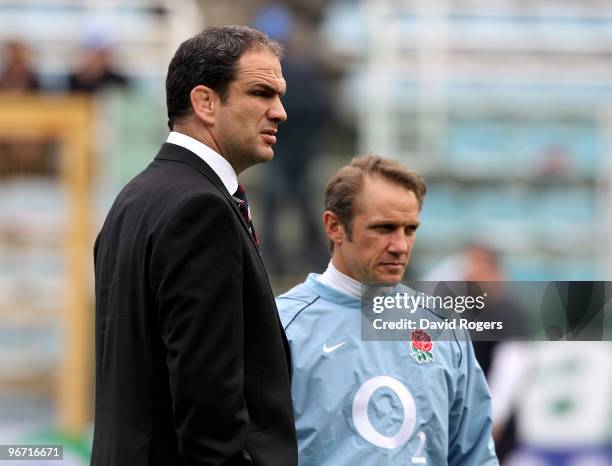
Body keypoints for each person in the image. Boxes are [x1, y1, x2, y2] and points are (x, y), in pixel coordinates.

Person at [91, 26, 297, 466]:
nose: (279, 111)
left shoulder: (134, 197)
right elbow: (208, 404)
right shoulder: (200, 209)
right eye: (261, 92)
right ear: (205, 102)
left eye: (279, 95)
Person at [277, 155, 499, 465]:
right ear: (334, 227)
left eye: (410, 229)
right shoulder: (283, 326)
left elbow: (475, 456)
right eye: (384, 228)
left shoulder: (443, 327)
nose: (401, 246)